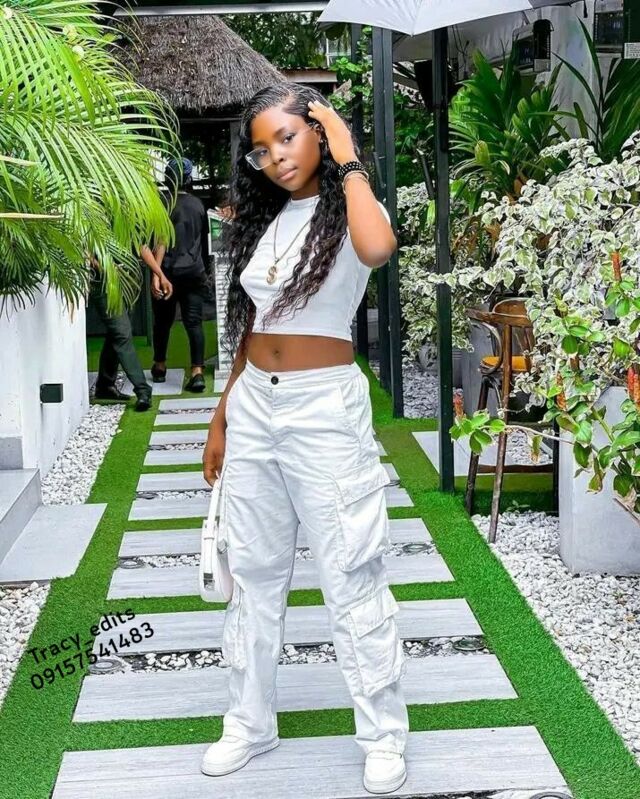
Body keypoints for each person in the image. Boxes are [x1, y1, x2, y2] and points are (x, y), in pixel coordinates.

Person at [200, 83, 409, 795]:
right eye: (261, 150)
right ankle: (249, 722)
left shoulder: (352, 206)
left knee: (350, 566)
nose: (276, 157)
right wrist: (223, 415)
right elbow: (253, 327)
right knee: (253, 569)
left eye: (287, 137)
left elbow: (378, 249)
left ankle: (382, 734)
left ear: (319, 130)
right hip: (255, 404)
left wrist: (347, 157)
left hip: (324, 409)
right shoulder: (262, 218)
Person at [148, 157, 210, 393]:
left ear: (168, 179)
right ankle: (197, 372)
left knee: (162, 322)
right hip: (194, 272)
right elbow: (202, 240)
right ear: (188, 179)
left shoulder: (161, 204)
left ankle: (160, 366)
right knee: (194, 322)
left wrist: (156, 274)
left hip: (167, 272)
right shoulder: (198, 205)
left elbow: (159, 241)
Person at [89, 258, 152, 412]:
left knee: (116, 333)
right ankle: (142, 390)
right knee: (121, 333)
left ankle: (105, 385)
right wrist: (106, 269)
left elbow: (141, 247)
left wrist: (158, 274)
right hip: (103, 280)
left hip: (128, 279)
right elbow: (84, 252)